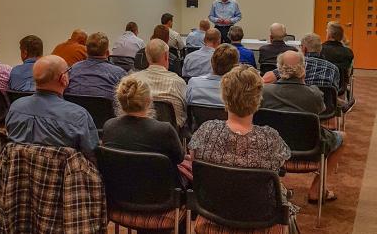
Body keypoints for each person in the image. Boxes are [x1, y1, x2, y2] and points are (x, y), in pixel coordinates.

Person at [188, 65, 300, 233]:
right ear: (258, 98)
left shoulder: (206, 130)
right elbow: (281, 163)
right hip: (260, 215)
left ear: (224, 97)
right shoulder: (271, 138)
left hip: (212, 208)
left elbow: (193, 157)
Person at [261, 51, 344, 203]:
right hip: (309, 148)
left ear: (279, 69)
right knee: (342, 138)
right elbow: (321, 112)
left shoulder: (264, 92)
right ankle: (316, 190)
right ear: (303, 69)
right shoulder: (313, 94)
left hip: (273, 149)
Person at [5, 55, 99, 163]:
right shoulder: (78, 115)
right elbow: (92, 155)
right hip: (63, 178)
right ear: (63, 78)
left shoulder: (15, 107)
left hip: (18, 174)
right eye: (68, 71)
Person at [103, 75, 184, 177]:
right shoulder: (164, 130)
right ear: (149, 100)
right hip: (160, 189)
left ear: (120, 100)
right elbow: (179, 158)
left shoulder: (109, 126)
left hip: (119, 189)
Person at [132, 39, 187, 128]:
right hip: (171, 133)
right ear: (166, 56)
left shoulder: (134, 80)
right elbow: (185, 109)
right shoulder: (178, 82)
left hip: (141, 130)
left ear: (147, 57)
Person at [263, 33, 340, 89]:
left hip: (296, 108)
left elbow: (265, 80)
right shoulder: (334, 69)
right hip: (325, 109)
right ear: (320, 49)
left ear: (304, 49)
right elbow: (335, 93)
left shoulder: (295, 64)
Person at [65, 32, 126, 100]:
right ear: (107, 53)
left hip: (74, 109)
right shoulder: (119, 73)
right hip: (106, 110)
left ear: (86, 51)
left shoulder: (73, 69)